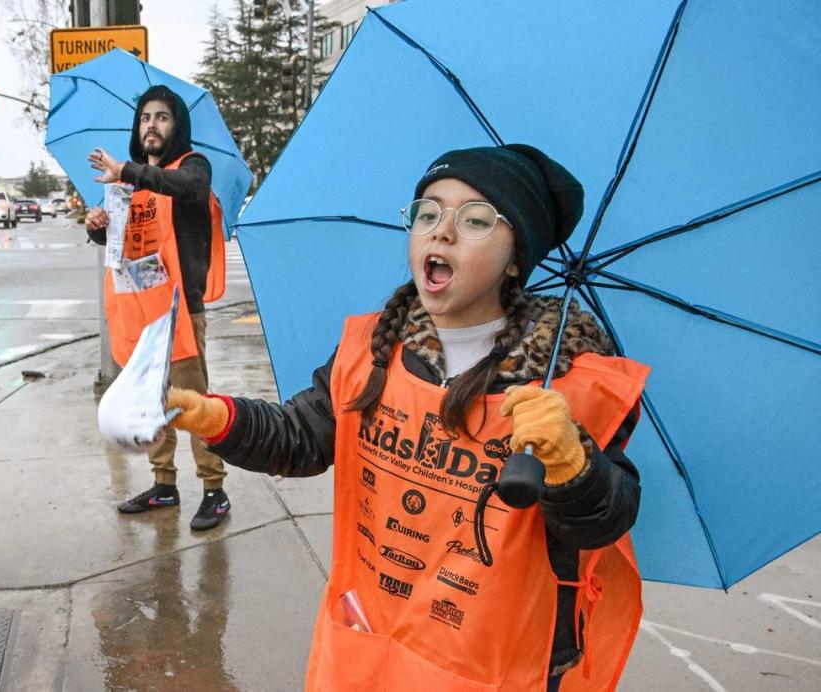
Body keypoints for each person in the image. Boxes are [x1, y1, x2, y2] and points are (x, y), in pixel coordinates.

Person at [161, 145, 649, 690]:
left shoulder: (568, 381)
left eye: (476, 219)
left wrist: (572, 465)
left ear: (516, 257)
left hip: (494, 663)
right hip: (372, 642)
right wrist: (216, 417)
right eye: (427, 212)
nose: (441, 231)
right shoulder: (374, 351)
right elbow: (302, 437)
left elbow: (608, 518)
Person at [85, 84, 230, 530]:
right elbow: (122, 245)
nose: (152, 124)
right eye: (146, 117)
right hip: (140, 311)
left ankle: (214, 489)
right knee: (150, 401)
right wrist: (97, 226)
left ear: (177, 125)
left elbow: (186, 188)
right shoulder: (126, 183)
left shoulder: (191, 167)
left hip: (180, 310)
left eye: (162, 117)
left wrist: (128, 172)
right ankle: (164, 485)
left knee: (193, 402)